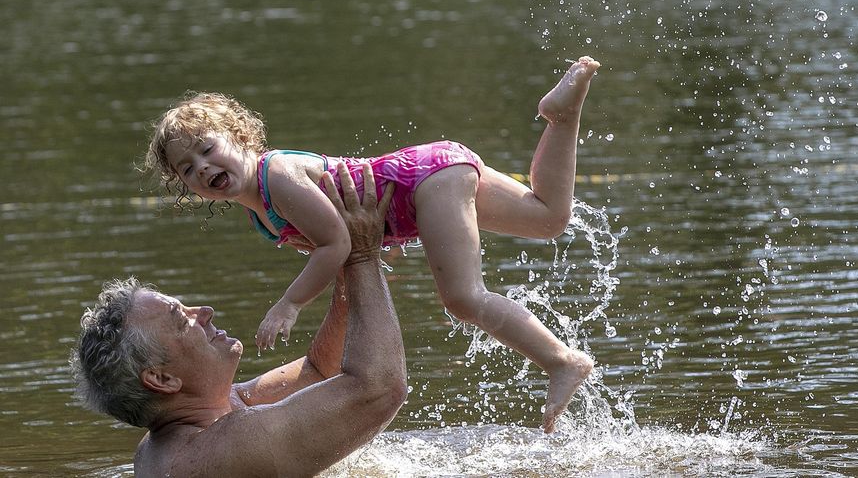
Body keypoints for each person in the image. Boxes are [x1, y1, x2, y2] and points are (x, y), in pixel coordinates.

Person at [145, 56, 601, 432]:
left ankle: (561, 361)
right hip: (433, 177)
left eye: (207, 149)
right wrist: (384, 240)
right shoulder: (260, 214)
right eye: (188, 169)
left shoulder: (277, 177)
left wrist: (289, 304)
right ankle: (563, 116)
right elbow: (342, 240)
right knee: (549, 218)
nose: (203, 167)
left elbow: (335, 242)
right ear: (189, 189)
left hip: (425, 184)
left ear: (241, 136)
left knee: (463, 298)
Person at [71, 167, 407, 477]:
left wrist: (348, 258)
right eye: (181, 320)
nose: (203, 312)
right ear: (161, 378)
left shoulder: (210, 415)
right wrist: (364, 256)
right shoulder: (224, 449)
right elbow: (379, 389)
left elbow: (319, 371)